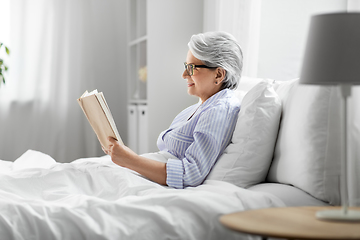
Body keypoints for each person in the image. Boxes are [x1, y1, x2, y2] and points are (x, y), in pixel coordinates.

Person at [104, 31, 243, 189]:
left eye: (191, 68)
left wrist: (130, 160)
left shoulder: (220, 110)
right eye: (186, 67)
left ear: (218, 74)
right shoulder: (202, 107)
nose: (184, 75)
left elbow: (190, 174)